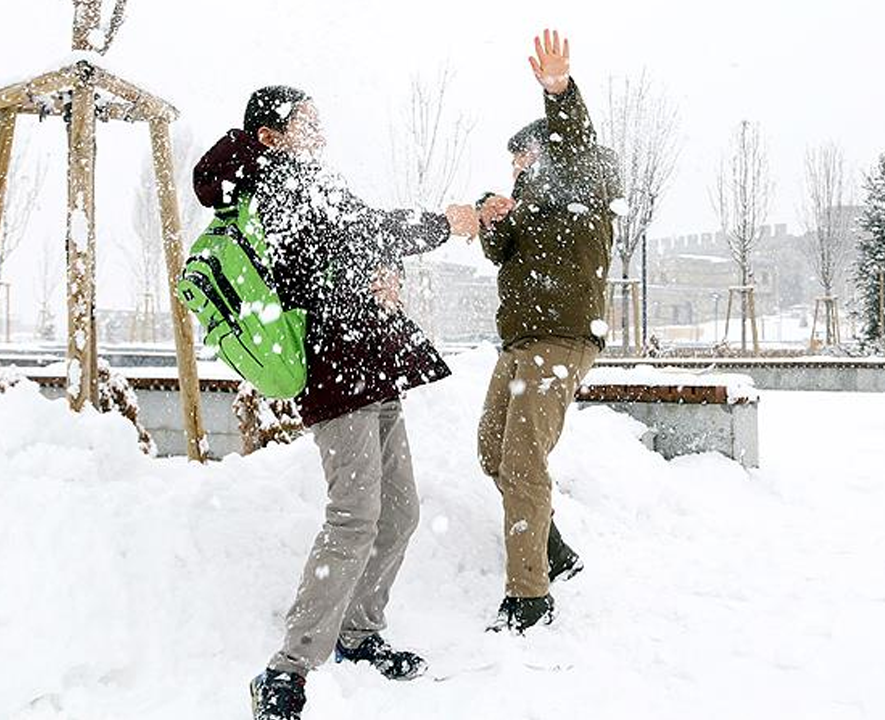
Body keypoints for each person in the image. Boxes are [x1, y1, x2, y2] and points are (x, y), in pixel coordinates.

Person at [194, 86, 480, 720]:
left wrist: (389, 274)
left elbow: (360, 244)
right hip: (335, 370)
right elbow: (365, 231)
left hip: (372, 364)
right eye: (307, 123)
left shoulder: (314, 181)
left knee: (400, 511)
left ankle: (358, 633)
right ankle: (286, 669)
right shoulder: (272, 183)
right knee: (354, 515)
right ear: (271, 136)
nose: (321, 133)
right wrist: (444, 223)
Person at [474, 30, 622, 634]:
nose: (518, 168)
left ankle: (530, 596)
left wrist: (558, 92)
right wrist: (491, 216)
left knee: (523, 461)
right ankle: (553, 548)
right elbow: (499, 252)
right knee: (493, 450)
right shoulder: (528, 207)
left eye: (525, 158)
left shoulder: (584, 184)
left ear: (550, 153)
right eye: (513, 162)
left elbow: (577, 143)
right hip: (521, 344)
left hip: (561, 341)